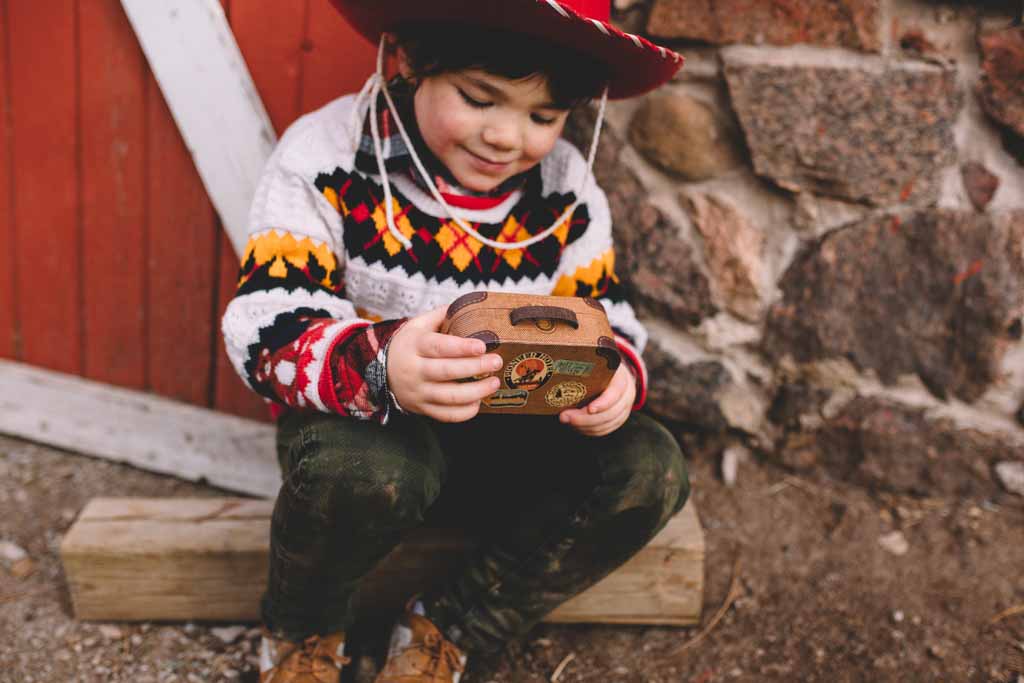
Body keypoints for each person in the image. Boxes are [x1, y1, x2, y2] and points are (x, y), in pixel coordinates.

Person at [221, 1, 690, 681]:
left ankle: (453, 624)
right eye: (479, 98)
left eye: (543, 117)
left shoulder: (566, 191)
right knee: (363, 471)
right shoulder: (327, 157)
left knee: (651, 466)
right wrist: (378, 363)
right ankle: (302, 633)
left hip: (508, 437)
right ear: (412, 60)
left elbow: (607, 320)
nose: (506, 136)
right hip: (374, 436)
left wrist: (612, 378)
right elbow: (267, 325)